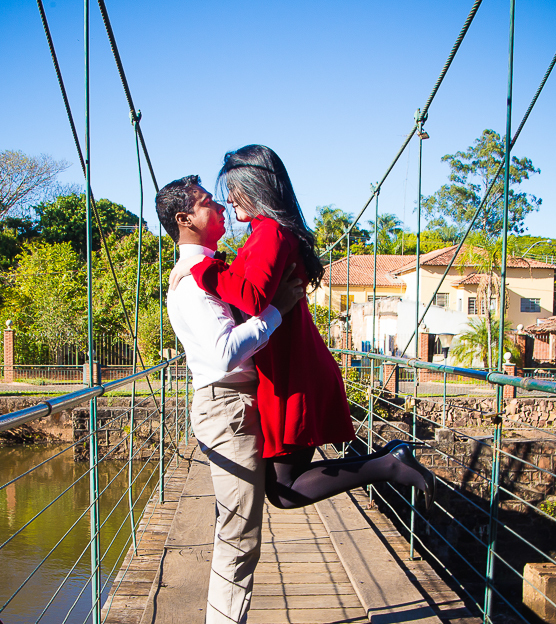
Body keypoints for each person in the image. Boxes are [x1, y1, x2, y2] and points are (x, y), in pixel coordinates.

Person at [171, 144, 433, 511]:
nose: (229, 200)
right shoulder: (265, 233)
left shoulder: (271, 233)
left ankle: (389, 464)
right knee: (282, 488)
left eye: (233, 189)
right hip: (289, 369)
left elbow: (252, 297)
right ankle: (388, 461)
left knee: (285, 490)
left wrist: (199, 268)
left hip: (294, 373)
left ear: (256, 186)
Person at [157, 174, 306, 624]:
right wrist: (278, 311)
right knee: (238, 533)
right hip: (227, 409)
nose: (217, 205)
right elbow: (223, 354)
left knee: (245, 526)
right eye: (204, 202)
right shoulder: (194, 278)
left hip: (242, 406)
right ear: (184, 220)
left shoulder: (214, 270)